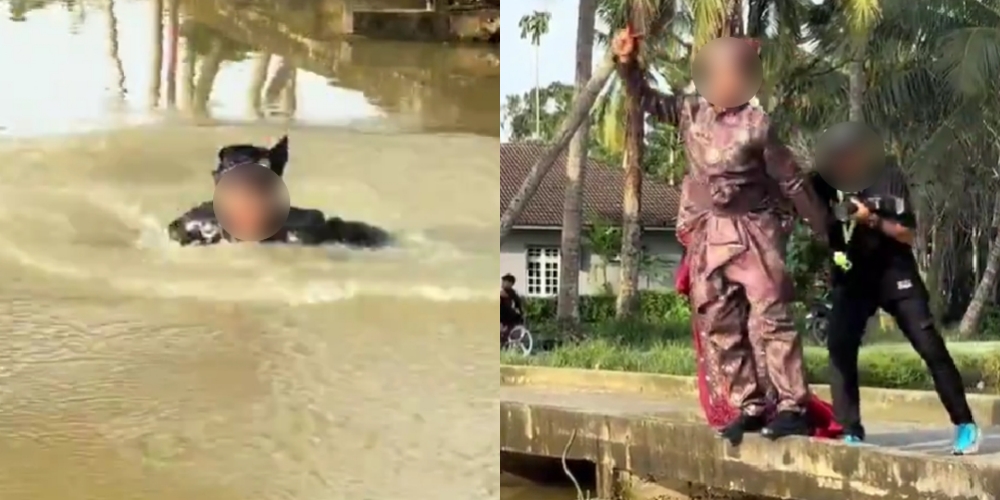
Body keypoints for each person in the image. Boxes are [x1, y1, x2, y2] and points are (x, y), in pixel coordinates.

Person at [613, 30, 832, 443]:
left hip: (754, 230)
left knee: (771, 316)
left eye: (734, 74)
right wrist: (628, 64)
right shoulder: (690, 113)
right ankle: (749, 403)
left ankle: (792, 406)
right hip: (711, 232)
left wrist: (824, 229)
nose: (724, 83)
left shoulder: (758, 127)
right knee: (718, 319)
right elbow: (645, 98)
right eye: (718, 74)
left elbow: (792, 183)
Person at [811, 135, 980, 454]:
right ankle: (850, 430)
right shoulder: (826, 182)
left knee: (929, 345)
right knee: (839, 345)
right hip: (856, 277)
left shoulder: (887, 175)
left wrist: (869, 219)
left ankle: (965, 424)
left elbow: (907, 233)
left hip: (895, 273)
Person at [168, 136, 391, 248]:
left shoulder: (307, 230)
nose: (251, 203)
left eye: (261, 193)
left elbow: (377, 240)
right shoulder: (195, 228)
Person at [500, 274, 525, 346]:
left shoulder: (511, 293)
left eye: (505, 281)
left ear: (510, 284)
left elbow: (517, 305)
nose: (502, 283)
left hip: (507, 316)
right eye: (503, 281)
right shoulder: (503, 293)